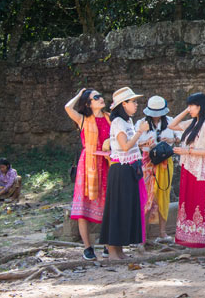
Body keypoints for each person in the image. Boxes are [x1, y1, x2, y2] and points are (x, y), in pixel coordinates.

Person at [99, 86, 146, 260]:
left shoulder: (128, 122)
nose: (135, 105)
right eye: (132, 102)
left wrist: (141, 142)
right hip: (120, 170)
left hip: (130, 168)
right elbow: (124, 146)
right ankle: (112, 250)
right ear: (123, 104)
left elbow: (128, 145)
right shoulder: (118, 122)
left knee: (125, 208)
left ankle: (119, 249)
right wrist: (140, 132)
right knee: (117, 209)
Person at [169, 93, 205, 248]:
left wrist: (188, 152)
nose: (189, 108)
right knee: (187, 203)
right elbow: (172, 125)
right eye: (189, 105)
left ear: (200, 107)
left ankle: (200, 240)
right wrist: (186, 111)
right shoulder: (193, 123)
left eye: (192, 105)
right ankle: (187, 238)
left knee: (199, 203)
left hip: (200, 172)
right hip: (188, 169)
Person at [64, 87, 110, 261]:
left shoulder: (109, 118)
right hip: (89, 165)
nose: (101, 99)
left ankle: (107, 243)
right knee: (83, 205)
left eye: (100, 96)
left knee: (108, 204)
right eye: (96, 97)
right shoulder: (83, 119)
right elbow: (68, 108)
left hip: (106, 164)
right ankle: (88, 247)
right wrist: (78, 94)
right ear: (88, 103)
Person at [137, 95, 177, 241]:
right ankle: (143, 234)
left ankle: (162, 232)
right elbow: (136, 143)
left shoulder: (171, 122)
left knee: (163, 195)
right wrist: (147, 144)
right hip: (148, 162)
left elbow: (179, 137)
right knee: (147, 196)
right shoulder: (141, 124)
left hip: (165, 162)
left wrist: (171, 140)